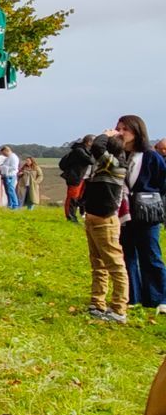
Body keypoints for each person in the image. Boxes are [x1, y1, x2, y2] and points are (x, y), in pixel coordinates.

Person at [115, 114, 166, 312]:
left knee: (151, 255)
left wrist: (149, 197)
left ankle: (158, 298)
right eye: (118, 129)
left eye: (124, 129)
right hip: (125, 213)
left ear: (136, 132)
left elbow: (162, 183)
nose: (120, 133)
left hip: (147, 212)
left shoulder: (151, 156)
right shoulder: (118, 155)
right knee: (127, 254)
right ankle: (132, 297)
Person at [82, 133, 129, 322]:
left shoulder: (115, 165)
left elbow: (97, 147)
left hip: (105, 221)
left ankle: (118, 309)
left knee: (115, 266)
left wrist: (106, 134)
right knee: (98, 264)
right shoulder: (105, 165)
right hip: (94, 219)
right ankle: (97, 302)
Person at [59, 136, 94, 222]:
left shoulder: (84, 150)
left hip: (83, 178)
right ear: (89, 142)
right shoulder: (79, 150)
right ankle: (71, 217)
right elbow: (91, 160)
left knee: (79, 198)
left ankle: (74, 216)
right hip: (75, 177)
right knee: (72, 198)